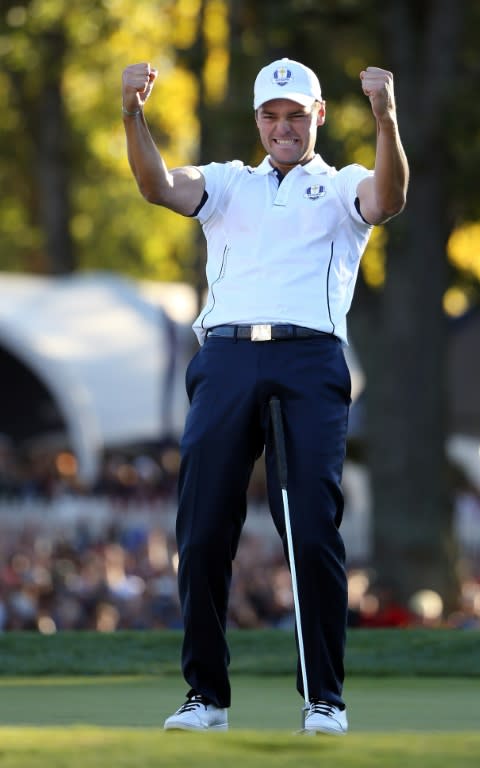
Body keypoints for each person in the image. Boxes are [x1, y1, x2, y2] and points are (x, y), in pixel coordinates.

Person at [122, 56, 408, 734]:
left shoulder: (342, 185)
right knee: (201, 531)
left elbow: (388, 200)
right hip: (224, 357)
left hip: (309, 359)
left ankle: (323, 699)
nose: (283, 127)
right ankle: (206, 698)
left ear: (317, 116)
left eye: (295, 115)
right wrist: (132, 115)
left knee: (310, 531)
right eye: (272, 117)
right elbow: (157, 185)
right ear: (259, 120)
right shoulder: (226, 183)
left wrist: (387, 120)